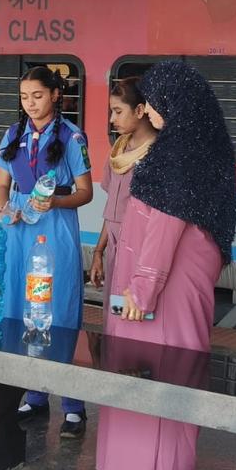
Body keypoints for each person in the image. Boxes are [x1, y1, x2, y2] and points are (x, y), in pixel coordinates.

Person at [95, 59, 236, 470]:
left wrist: (142, 289)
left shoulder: (174, 153)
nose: (150, 112)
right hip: (184, 284)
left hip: (161, 289)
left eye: (155, 104)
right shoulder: (208, 149)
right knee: (178, 372)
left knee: (148, 372)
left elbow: (164, 226)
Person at [0, 66, 94, 438]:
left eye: (37, 95)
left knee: (58, 310)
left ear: (54, 95)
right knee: (20, 308)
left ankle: (73, 406)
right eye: (24, 97)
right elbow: (1, 186)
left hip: (55, 229)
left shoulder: (71, 136)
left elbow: (86, 192)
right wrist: (4, 209)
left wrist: (57, 202)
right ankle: (34, 395)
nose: (30, 103)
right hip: (18, 231)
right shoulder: (12, 134)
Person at [90, 77, 156, 305]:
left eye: (118, 111)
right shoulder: (118, 151)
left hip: (141, 249)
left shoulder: (157, 156)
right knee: (113, 309)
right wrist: (99, 251)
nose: (112, 119)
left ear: (139, 110)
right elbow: (112, 212)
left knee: (134, 309)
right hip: (115, 245)